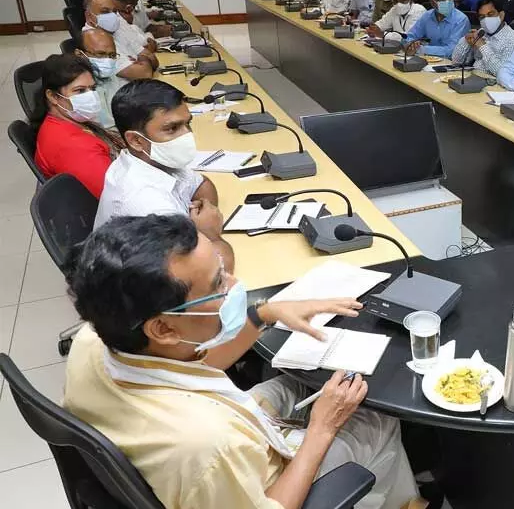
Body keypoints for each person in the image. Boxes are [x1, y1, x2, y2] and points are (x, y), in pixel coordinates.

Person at [63, 214, 423, 509]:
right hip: (257, 481)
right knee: (376, 419)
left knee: (295, 380)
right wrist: (322, 429)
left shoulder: (95, 337)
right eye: (218, 283)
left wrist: (263, 314)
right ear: (164, 328)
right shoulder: (207, 444)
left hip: (212, 436)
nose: (235, 284)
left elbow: (196, 367)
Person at [95, 79, 234, 271]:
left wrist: (198, 226)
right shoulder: (147, 203)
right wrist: (210, 234)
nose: (186, 135)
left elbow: (203, 185)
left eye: (187, 124)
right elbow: (214, 272)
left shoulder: (151, 157)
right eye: (172, 128)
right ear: (136, 140)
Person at [33, 53, 123, 197]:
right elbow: (118, 197)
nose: (90, 96)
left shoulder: (68, 120)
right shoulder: (72, 146)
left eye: (92, 89)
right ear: (53, 96)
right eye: (80, 91)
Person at [78, 27, 154, 124]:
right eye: (100, 54)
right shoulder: (77, 90)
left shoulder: (113, 76)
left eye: (112, 55)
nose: (107, 60)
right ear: (79, 54)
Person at [450, 0, 514, 77]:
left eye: (490, 14)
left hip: (494, 84)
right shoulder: (481, 33)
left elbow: (503, 74)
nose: (486, 19)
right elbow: (456, 62)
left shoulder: (513, 39)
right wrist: (465, 41)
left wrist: (482, 46)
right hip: (473, 78)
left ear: (501, 15)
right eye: (482, 17)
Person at [402, 0, 470, 58]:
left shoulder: (461, 20)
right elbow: (409, 37)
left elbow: (452, 50)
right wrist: (410, 44)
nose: (447, 2)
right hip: (428, 61)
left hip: (451, 64)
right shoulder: (427, 16)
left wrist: (420, 49)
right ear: (432, 1)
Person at [109, 0, 160, 70]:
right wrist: (146, 52)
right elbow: (147, 53)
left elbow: (145, 45)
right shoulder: (115, 22)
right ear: (129, 7)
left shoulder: (119, 19)